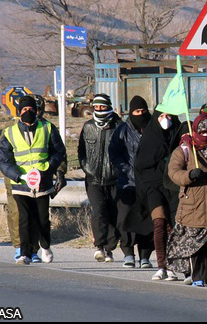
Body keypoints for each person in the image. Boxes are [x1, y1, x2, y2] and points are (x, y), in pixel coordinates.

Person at [0, 96, 66, 265]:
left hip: (42, 183)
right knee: (24, 218)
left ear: (36, 111)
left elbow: (59, 151)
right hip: (21, 183)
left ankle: (45, 246)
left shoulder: (48, 128)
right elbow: (3, 159)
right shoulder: (10, 132)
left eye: (31, 109)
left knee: (42, 219)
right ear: (20, 112)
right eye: (25, 110)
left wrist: (49, 168)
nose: (28, 112)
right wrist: (18, 175)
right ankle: (24, 253)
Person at [166, 115, 207, 286]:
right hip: (192, 205)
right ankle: (198, 277)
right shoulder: (184, 150)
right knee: (194, 244)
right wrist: (189, 175)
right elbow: (174, 173)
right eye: (202, 132)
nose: (206, 135)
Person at [134, 109, 184, 281]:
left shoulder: (179, 137)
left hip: (173, 187)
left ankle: (172, 266)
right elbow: (140, 166)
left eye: (169, 116)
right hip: (153, 188)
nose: (165, 120)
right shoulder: (149, 138)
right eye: (162, 116)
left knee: (172, 227)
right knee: (159, 223)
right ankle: (161, 265)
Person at [109, 96, 156, 268]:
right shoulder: (122, 130)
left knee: (147, 219)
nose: (141, 114)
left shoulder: (153, 129)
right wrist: (127, 169)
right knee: (125, 218)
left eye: (143, 111)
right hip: (127, 182)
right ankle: (128, 253)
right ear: (131, 112)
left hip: (149, 183)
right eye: (137, 111)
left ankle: (145, 256)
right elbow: (114, 153)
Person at [79, 93, 125, 263]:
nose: (99, 110)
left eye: (102, 107)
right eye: (96, 107)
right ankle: (99, 246)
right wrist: (87, 168)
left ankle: (110, 248)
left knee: (113, 214)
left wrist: (120, 170)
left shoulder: (120, 126)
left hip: (114, 179)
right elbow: (81, 151)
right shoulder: (88, 126)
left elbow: (126, 151)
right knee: (99, 211)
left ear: (108, 107)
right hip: (94, 180)